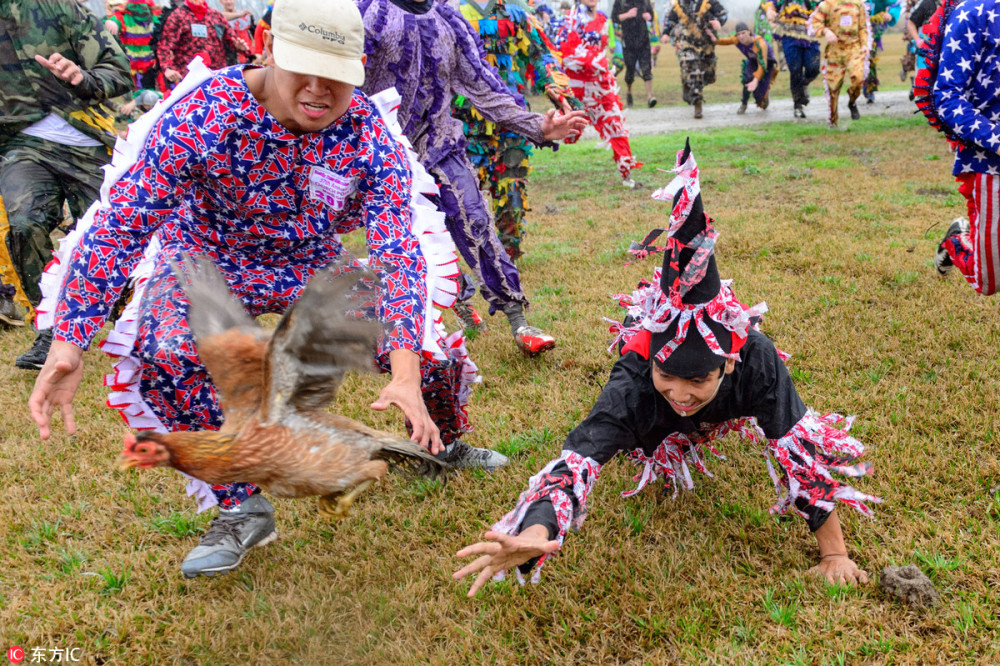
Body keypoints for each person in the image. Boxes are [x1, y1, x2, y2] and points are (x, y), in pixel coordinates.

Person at [28, 0, 505, 578]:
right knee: (165, 348)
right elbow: (122, 225)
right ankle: (242, 507)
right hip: (206, 254)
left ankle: (438, 444)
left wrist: (404, 373)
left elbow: (397, 255)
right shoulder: (206, 116)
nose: (318, 89)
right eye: (302, 65)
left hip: (310, 257)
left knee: (422, 337)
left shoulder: (368, 134)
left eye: (337, 73)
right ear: (266, 44)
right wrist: (70, 337)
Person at [453, 142, 879, 596]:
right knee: (649, 439)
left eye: (697, 379)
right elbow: (579, 457)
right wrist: (537, 530)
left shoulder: (756, 361)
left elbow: (797, 449)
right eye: (667, 375)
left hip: (724, 378)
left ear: (729, 363)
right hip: (647, 397)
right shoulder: (634, 383)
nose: (678, 392)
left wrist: (835, 553)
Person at [358, 0, 588, 356]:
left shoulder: (449, 19)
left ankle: (518, 319)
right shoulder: (369, 13)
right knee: (408, 242)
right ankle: (441, 315)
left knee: (475, 219)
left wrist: (537, 126)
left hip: (441, 143)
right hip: (385, 151)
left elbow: (484, 85)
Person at [0, 0, 133, 369]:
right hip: (21, 146)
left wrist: (81, 77)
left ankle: (130, 317)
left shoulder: (59, 8)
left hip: (88, 140)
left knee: (114, 233)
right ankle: (51, 331)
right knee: (24, 222)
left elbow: (119, 71)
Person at [452, 0, 579, 264]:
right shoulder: (448, 9)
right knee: (462, 199)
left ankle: (509, 260)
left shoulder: (515, 10)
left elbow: (540, 53)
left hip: (513, 121)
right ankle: (469, 260)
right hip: (464, 123)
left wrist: (559, 92)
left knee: (512, 197)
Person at [928, 0, 1000, 296]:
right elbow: (946, 95)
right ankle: (958, 238)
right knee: (989, 282)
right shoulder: (974, 12)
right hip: (989, 162)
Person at [549, 0, 643, 187]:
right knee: (566, 131)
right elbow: (564, 52)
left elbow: (612, 47)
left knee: (616, 126)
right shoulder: (568, 20)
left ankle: (626, 174)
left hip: (601, 88)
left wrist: (614, 62)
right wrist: (592, 62)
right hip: (576, 89)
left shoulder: (603, 19)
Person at [155, 0, 248, 88]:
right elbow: (164, 46)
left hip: (215, 75)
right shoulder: (177, 16)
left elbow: (232, 40)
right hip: (189, 78)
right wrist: (167, 69)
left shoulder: (215, 15)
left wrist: (240, 47)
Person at [661, 0, 728, 119]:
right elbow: (671, 19)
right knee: (693, 67)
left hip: (705, 43)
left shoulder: (709, 2)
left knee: (709, 75)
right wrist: (666, 33)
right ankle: (698, 103)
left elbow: (723, 14)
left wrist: (719, 22)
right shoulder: (680, 4)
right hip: (687, 43)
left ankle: (687, 84)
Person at [808, 0, 869, 127]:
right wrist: (826, 31)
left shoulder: (858, 4)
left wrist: (864, 45)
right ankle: (833, 121)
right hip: (835, 51)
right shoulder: (827, 4)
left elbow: (863, 27)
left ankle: (852, 102)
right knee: (833, 89)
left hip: (854, 48)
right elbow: (815, 24)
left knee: (857, 79)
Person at [762, 0, 821, 118]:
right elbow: (770, 2)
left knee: (813, 68)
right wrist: (769, 10)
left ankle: (804, 84)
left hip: (810, 34)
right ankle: (797, 105)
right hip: (789, 34)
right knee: (795, 69)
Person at [713, 21, 779, 114]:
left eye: (743, 33)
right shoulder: (736, 39)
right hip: (752, 61)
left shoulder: (759, 43)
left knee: (760, 99)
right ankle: (744, 103)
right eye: (738, 34)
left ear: (749, 31)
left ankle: (764, 96)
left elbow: (762, 65)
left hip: (766, 64)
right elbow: (721, 41)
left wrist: (755, 80)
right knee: (747, 79)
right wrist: (713, 34)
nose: (741, 37)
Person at [611, 0, 656, 108]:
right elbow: (614, 18)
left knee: (646, 69)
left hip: (643, 39)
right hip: (628, 41)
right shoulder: (620, 1)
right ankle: (629, 91)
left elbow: (651, 15)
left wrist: (648, 16)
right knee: (630, 69)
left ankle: (650, 97)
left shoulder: (645, 1)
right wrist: (627, 15)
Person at [861, 0, 900, 103]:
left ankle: (869, 88)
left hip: (872, 33)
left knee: (869, 59)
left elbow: (895, 5)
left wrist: (890, 15)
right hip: (852, 31)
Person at [219, 0, 254, 66]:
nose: (229, 2)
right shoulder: (218, 17)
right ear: (220, 1)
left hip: (247, 56)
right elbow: (221, 16)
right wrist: (240, 15)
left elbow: (254, 34)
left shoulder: (246, 16)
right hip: (230, 58)